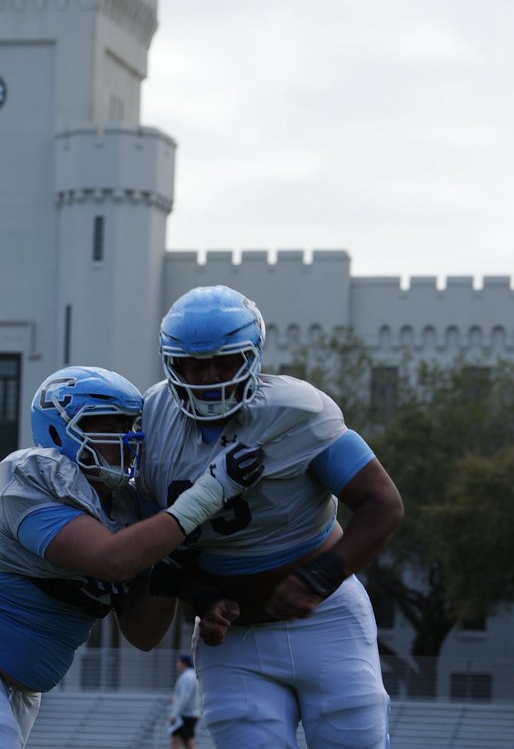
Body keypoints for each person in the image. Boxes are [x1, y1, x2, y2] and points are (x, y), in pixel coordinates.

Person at [0, 366, 263, 749]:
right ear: (60, 430)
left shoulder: (130, 507)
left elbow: (142, 634)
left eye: (131, 424)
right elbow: (111, 559)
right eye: (110, 425)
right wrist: (209, 493)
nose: (128, 437)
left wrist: (172, 563)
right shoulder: (32, 477)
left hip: (17, 687)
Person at [137, 285, 405, 747]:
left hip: (327, 618)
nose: (210, 377)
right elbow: (156, 544)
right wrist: (199, 595)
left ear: (253, 356)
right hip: (234, 638)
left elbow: (383, 503)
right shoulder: (150, 420)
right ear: (172, 362)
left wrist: (323, 575)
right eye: (195, 365)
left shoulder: (298, 410)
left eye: (224, 362)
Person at [167, 654, 199, 749]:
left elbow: (184, 697)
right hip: (190, 713)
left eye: (178, 662)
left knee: (178, 740)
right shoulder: (193, 675)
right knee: (187, 739)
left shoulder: (187, 677)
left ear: (183, 663)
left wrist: (174, 713)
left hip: (185, 714)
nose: (177, 664)